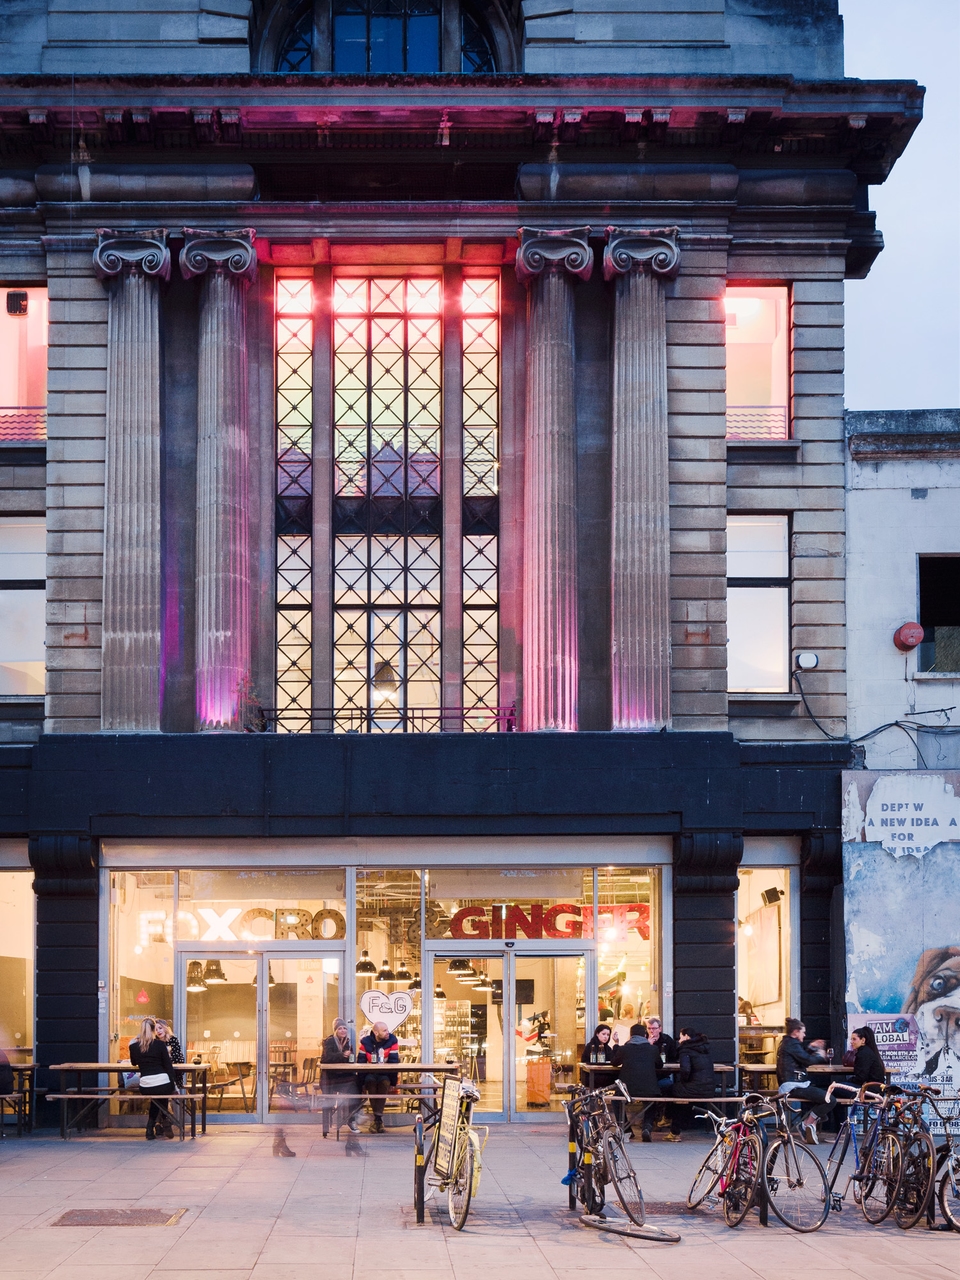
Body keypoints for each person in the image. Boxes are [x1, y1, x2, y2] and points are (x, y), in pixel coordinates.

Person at [776, 1018, 830, 1145]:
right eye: (803, 1032)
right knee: (829, 1099)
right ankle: (806, 1124)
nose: (804, 1035)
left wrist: (811, 1047)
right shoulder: (792, 1044)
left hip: (793, 1084)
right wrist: (820, 1055)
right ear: (796, 1032)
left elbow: (800, 1057)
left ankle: (810, 1123)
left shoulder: (788, 1043)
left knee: (823, 1098)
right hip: (794, 1085)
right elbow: (807, 1061)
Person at [128, 1016, 176, 1140]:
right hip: (162, 1083)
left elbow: (133, 1063)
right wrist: (172, 1084)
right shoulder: (160, 1045)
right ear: (154, 1029)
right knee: (162, 1094)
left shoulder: (134, 1047)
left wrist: (134, 1041)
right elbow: (168, 1066)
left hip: (145, 1086)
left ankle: (150, 1128)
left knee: (156, 1097)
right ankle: (165, 1120)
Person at [611, 1023, 661, 1142]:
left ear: (631, 1035)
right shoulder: (653, 1049)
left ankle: (627, 1129)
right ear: (645, 1035)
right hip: (649, 1088)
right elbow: (660, 1065)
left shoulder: (624, 1049)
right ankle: (647, 1127)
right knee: (651, 1100)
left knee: (616, 1100)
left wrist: (616, 1045)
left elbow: (614, 1062)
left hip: (627, 1089)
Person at [666, 1028, 715, 1141]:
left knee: (671, 1091)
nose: (679, 1040)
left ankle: (673, 1130)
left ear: (686, 1036)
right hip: (709, 1090)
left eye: (681, 1037)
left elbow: (686, 1070)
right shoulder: (704, 1048)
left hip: (694, 1088)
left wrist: (684, 1081)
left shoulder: (685, 1049)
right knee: (678, 1094)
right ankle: (670, 1124)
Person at [320, 1017, 360, 1137]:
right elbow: (326, 1059)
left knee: (357, 1085)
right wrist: (342, 1055)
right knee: (353, 1087)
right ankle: (349, 1118)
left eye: (345, 1028)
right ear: (335, 1030)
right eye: (340, 1028)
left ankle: (350, 1117)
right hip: (330, 1078)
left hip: (342, 1075)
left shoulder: (347, 1042)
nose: (343, 1030)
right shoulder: (330, 1041)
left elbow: (349, 1060)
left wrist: (351, 1058)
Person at [357, 1020, 399, 1133]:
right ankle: (378, 1120)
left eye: (387, 1030)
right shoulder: (365, 1043)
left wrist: (393, 1083)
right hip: (370, 1073)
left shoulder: (392, 1040)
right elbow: (360, 1063)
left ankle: (377, 1120)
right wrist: (361, 1084)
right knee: (370, 1083)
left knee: (384, 1083)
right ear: (376, 1032)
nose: (388, 1032)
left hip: (385, 1074)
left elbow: (394, 1063)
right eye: (384, 1030)